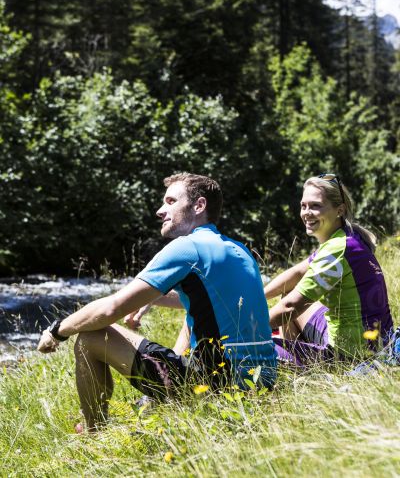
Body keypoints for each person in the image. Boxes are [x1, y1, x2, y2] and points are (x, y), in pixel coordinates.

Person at [38, 173, 277, 431]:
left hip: (218, 385)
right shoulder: (238, 249)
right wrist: (154, 298)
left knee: (90, 337)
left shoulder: (187, 247)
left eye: (170, 201)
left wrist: (58, 330)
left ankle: (94, 434)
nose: (160, 211)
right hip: (260, 381)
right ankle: (155, 402)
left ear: (198, 206)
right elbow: (211, 304)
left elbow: (111, 309)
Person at [264, 174, 393, 367]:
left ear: (339, 210)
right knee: (288, 291)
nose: (306, 212)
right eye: (303, 205)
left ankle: (305, 371)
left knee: (255, 347)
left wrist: (245, 330)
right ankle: (301, 362)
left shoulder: (336, 250)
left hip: (353, 355)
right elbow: (298, 273)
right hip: (377, 343)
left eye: (315, 206)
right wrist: (258, 297)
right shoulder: (348, 237)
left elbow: (291, 307)